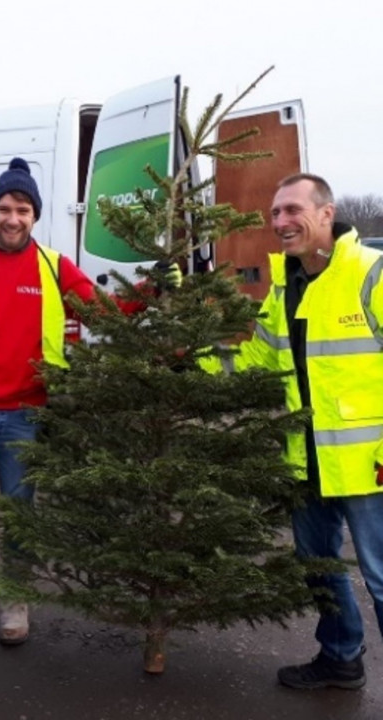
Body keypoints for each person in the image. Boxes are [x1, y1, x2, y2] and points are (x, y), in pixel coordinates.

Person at [0, 157, 160, 651]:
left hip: (25, 413)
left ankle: (15, 599)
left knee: (20, 512)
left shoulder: (51, 266)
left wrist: (150, 291)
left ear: (35, 215)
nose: (12, 218)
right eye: (5, 208)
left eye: (22, 209)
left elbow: (100, 309)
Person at [202, 173, 383, 690]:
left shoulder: (371, 273)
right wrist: (188, 361)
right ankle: (341, 657)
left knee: (381, 578)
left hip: (369, 462)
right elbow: (258, 358)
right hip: (305, 458)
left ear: (326, 214)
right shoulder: (285, 284)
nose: (281, 222)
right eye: (275, 213)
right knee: (319, 567)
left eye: (292, 210)